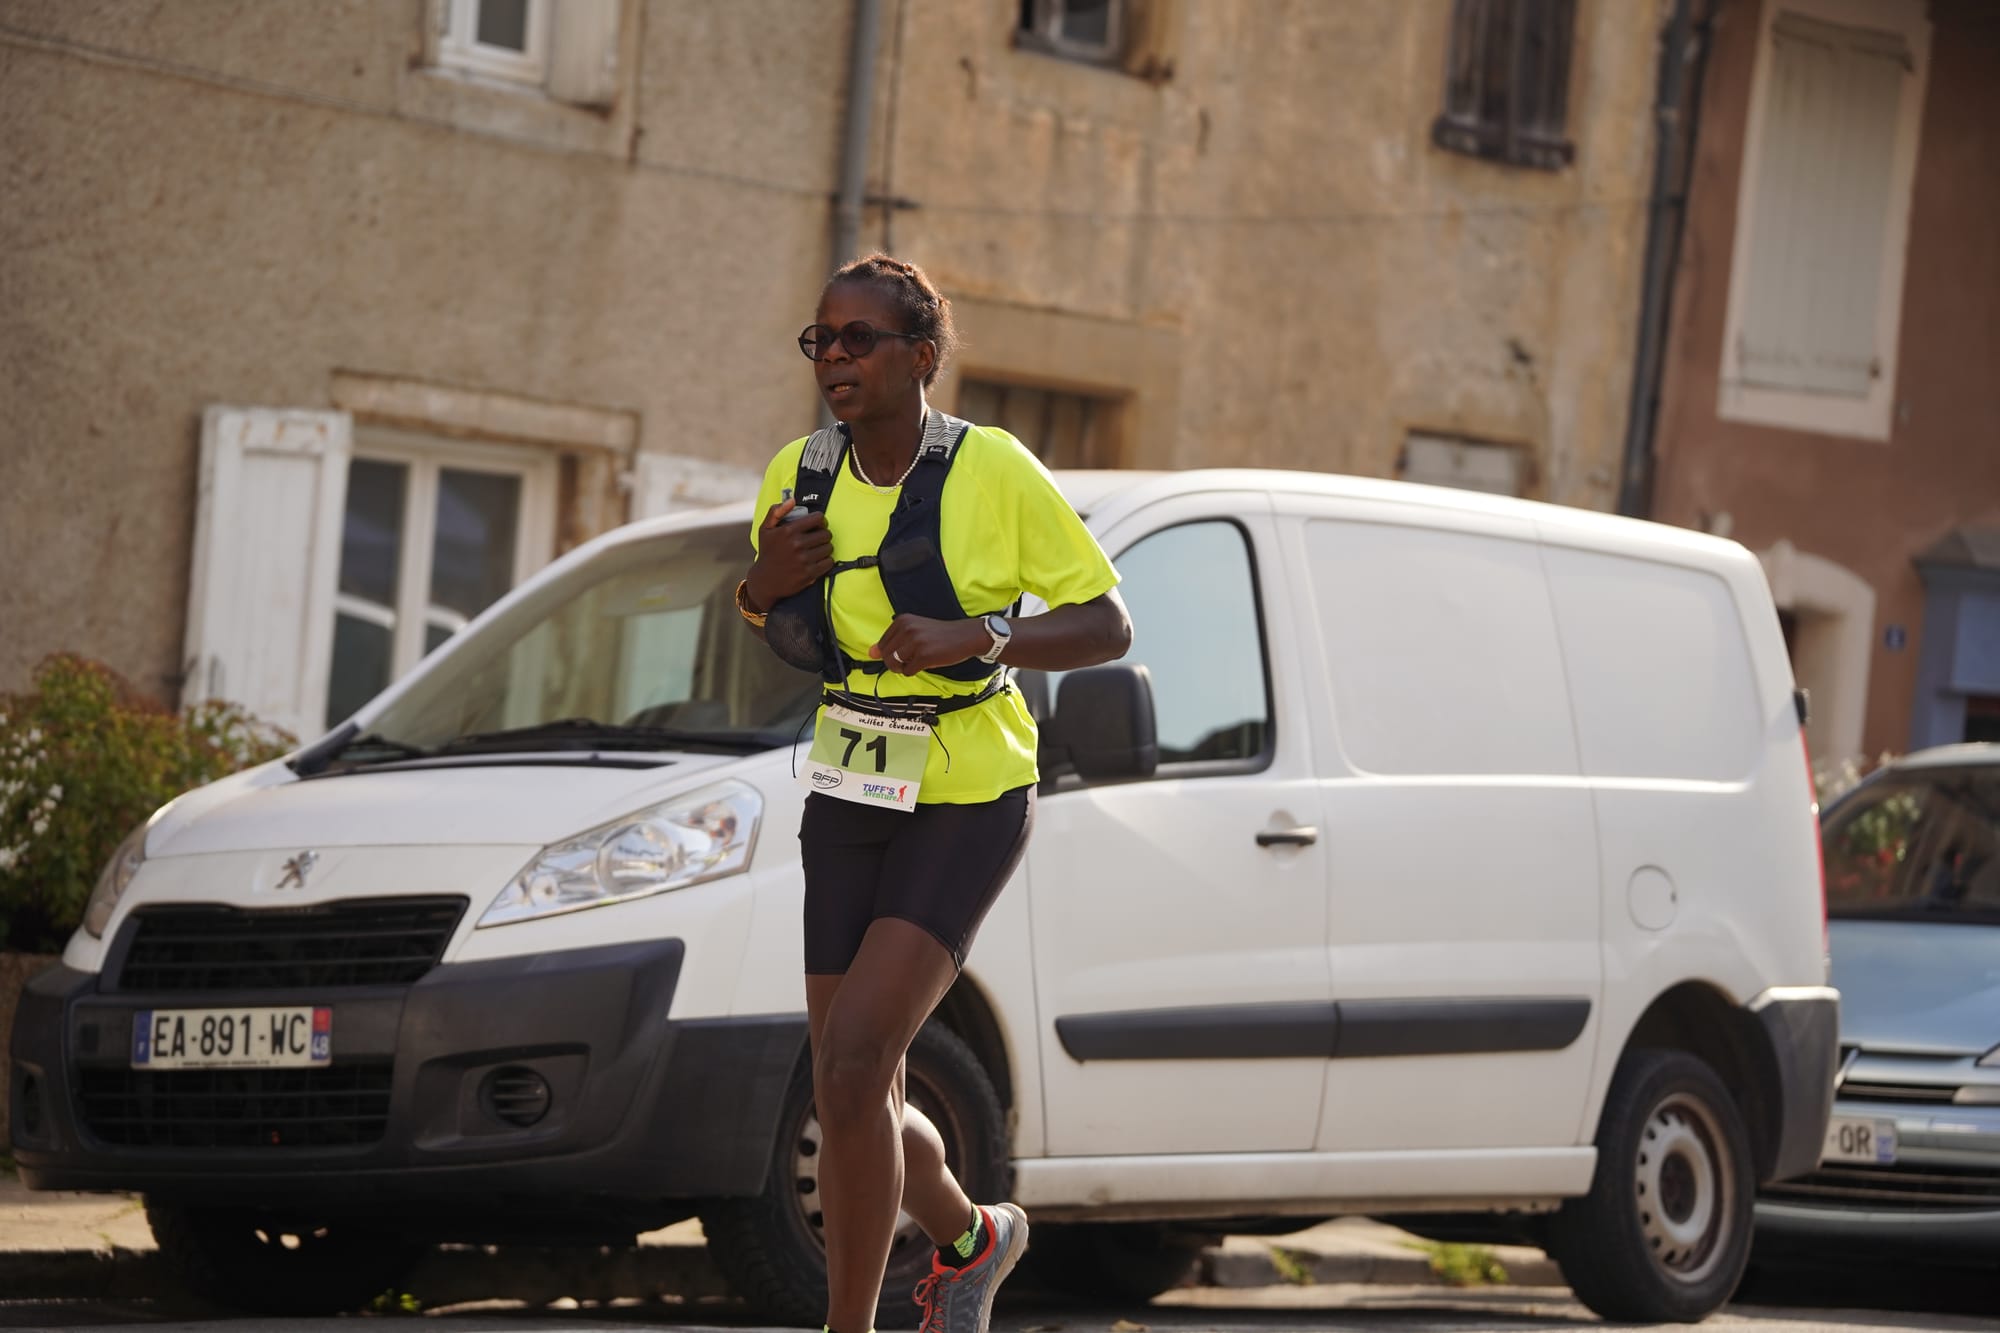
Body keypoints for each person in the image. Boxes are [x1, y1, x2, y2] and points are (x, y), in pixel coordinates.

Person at [737, 253, 1132, 1333]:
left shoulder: (991, 470)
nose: (833, 359)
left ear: (921, 354)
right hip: (852, 779)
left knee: (859, 1054)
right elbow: (774, 623)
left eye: (858, 338)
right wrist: (762, 583)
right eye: (820, 339)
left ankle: (848, 1327)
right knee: (848, 1078)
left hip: (970, 785)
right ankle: (970, 1239)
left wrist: (982, 633)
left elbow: (1106, 622)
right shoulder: (796, 474)